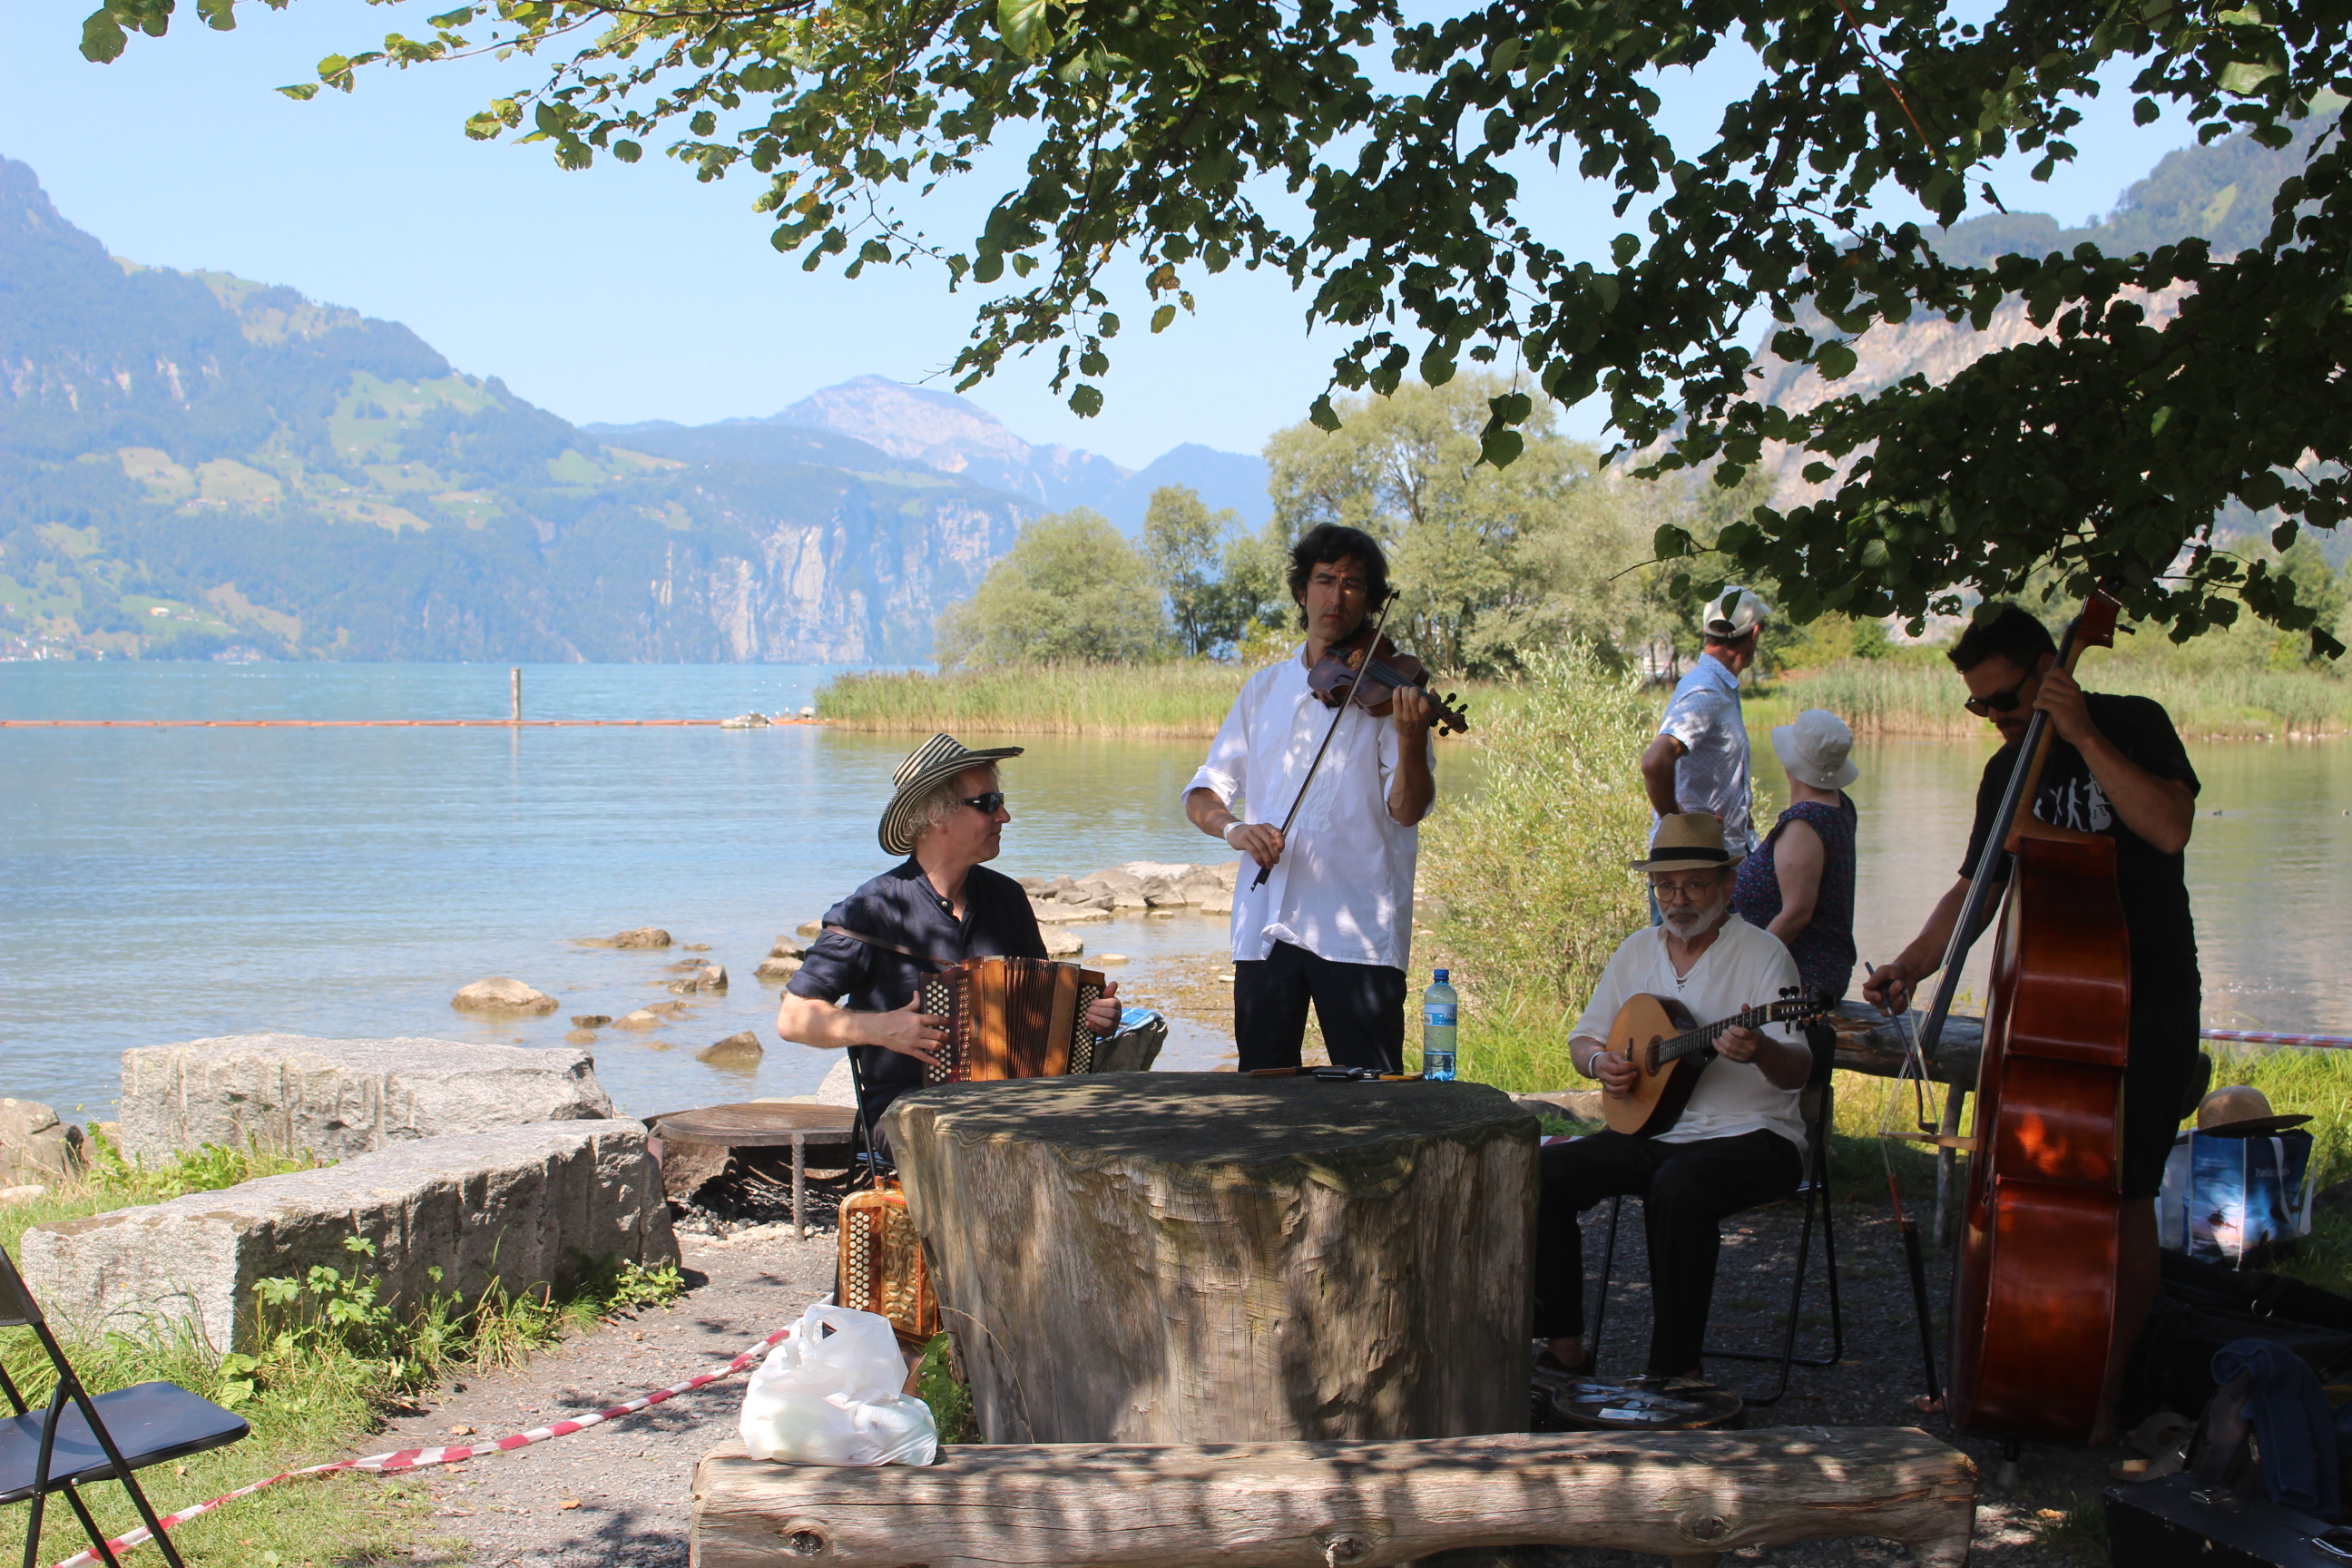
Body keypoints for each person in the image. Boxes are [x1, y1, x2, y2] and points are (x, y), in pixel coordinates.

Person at [1862, 603, 2200, 1200]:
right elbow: (1976, 888)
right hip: (2049, 1015)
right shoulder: (2004, 774)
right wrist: (1911, 966)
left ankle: (2130, 1298)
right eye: (1979, 704)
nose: (1994, 716)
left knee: (2129, 1194)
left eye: (2004, 700)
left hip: (2147, 1000)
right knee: (2041, 1186)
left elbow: (2170, 829)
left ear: (2050, 670)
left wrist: (2083, 735)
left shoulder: (2134, 724)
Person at [1534, 814, 1812, 1381]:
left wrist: (1760, 1050)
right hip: (1654, 1131)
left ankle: (1674, 1375)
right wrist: (1599, 1063)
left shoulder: (1763, 955)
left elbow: (1797, 1069)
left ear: (1727, 885)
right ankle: (1564, 1351)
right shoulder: (1637, 950)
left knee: (1679, 1186)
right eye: (1665, 886)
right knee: (1541, 1170)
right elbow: (1584, 1038)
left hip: (1754, 1136)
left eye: (1694, 885)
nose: (1677, 900)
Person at [1183, 523, 1439, 1073]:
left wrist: (1413, 740)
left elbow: (1408, 809)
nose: (1337, 595)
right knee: (1263, 1094)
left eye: (1353, 584)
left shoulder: (1391, 694)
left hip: (1357, 928)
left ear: (1370, 601)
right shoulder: (1264, 689)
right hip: (1264, 927)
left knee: (1371, 1100)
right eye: (1325, 580)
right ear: (1303, 591)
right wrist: (1234, 829)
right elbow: (1203, 792)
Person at [776, 732, 1123, 1133]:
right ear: (936, 817)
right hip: (907, 1111)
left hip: (1011, 1102)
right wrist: (879, 1028)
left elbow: (1043, 1014)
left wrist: (1088, 1016)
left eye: (1001, 801)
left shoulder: (1007, 898)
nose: (1004, 816)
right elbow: (794, 1018)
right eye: (987, 804)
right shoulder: (873, 910)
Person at [1730, 707, 1860, 1004]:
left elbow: (1796, 913)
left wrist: (1746, 972)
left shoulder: (1805, 821)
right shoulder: (1838, 804)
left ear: (1791, 762)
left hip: (1796, 978)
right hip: (1817, 970)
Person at [1641, 587, 1769, 859]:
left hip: (1716, 858)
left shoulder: (1720, 686)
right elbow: (1654, 762)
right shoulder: (1706, 690)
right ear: (1754, 634)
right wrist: (1680, 827)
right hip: (1696, 865)